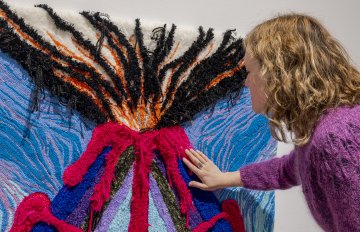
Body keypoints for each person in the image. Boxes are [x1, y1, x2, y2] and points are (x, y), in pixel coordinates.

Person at [182, 13, 360, 232]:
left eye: (249, 72)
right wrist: (224, 178)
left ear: (277, 74)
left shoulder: (336, 138)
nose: (246, 83)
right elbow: (290, 168)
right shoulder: (324, 130)